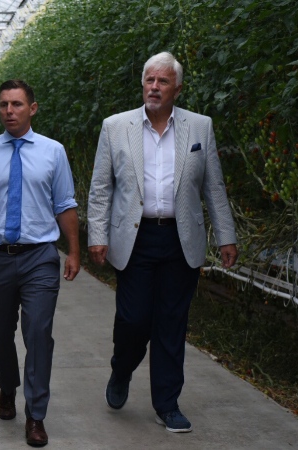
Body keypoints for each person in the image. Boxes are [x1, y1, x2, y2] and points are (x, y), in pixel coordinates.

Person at [87, 52, 238, 433]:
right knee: (134, 320)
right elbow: (101, 188)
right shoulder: (115, 127)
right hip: (135, 238)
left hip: (179, 238)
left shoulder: (199, 127)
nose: (154, 87)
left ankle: (167, 404)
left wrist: (226, 236)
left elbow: (213, 186)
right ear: (143, 84)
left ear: (178, 88)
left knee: (172, 323)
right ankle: (121, 370)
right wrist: (98, 236)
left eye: (163, 82)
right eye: (149, 80)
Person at [0, 79, 80, 447]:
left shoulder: (53, 152)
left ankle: (36, 415)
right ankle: (7, 387)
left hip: (39, 257)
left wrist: (73, 251)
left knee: (38, 334)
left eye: (16, 104)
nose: (9, 111)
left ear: (32, 108)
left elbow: (65, 204)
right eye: (3, 105)